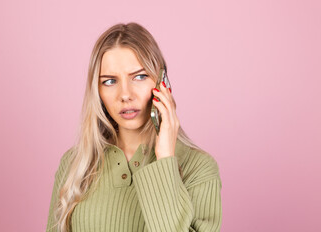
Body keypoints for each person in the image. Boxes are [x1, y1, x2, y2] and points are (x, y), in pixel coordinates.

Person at [46, 22, 222, 232]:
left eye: (139, 77)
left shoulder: (199, 168)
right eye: (110, 81)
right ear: (97, 91)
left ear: (162, 82)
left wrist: (165, 158)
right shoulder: (75, 164)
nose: (125, 94)